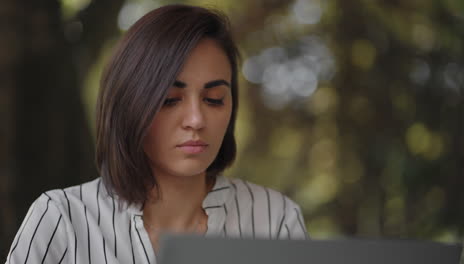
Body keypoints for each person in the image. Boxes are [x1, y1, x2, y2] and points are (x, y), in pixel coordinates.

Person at [6, 4, 309, 264]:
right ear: (130, 104)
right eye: (169, 100)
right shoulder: (62, 218)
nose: (195, 120)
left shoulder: (274, 219)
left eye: (214, 99)